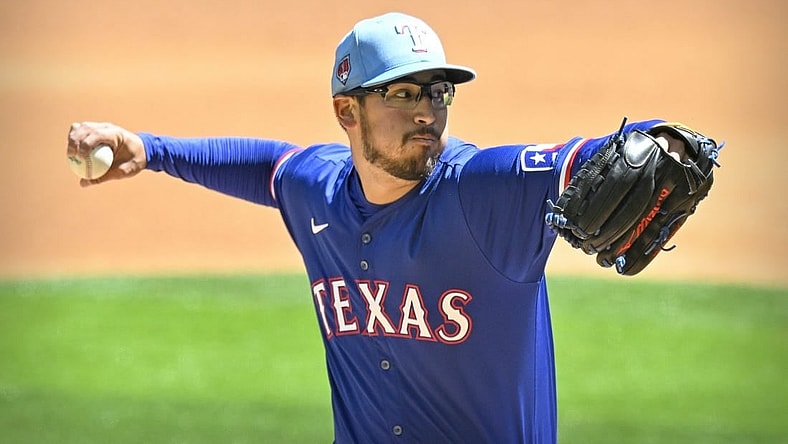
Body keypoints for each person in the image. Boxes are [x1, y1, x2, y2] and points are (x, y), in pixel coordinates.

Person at [68, 11, 692, 443]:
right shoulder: (319, 190)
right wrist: (149, 150)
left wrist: (660, 143)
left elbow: (585, 159)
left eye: (438, 93)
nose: (427, 111)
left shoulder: (483, 193)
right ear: (347, 110)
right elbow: (265, 167)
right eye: (402, 93)